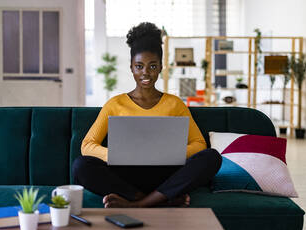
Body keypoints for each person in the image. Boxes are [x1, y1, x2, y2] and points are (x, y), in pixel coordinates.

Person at [72, 22, 221, 208]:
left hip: (165, 174)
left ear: (160, 67)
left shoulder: (174, 104)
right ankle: (158, 200)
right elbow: (87, 145)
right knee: (81, 166)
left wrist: (172, 155)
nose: (145, 73)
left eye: (152, 66)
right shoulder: (115, 104)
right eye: (139, 66)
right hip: (126, 175)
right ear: (131, 68)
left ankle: (137, 204)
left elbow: (199, 144)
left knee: (211, 157)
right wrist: (117, 155)